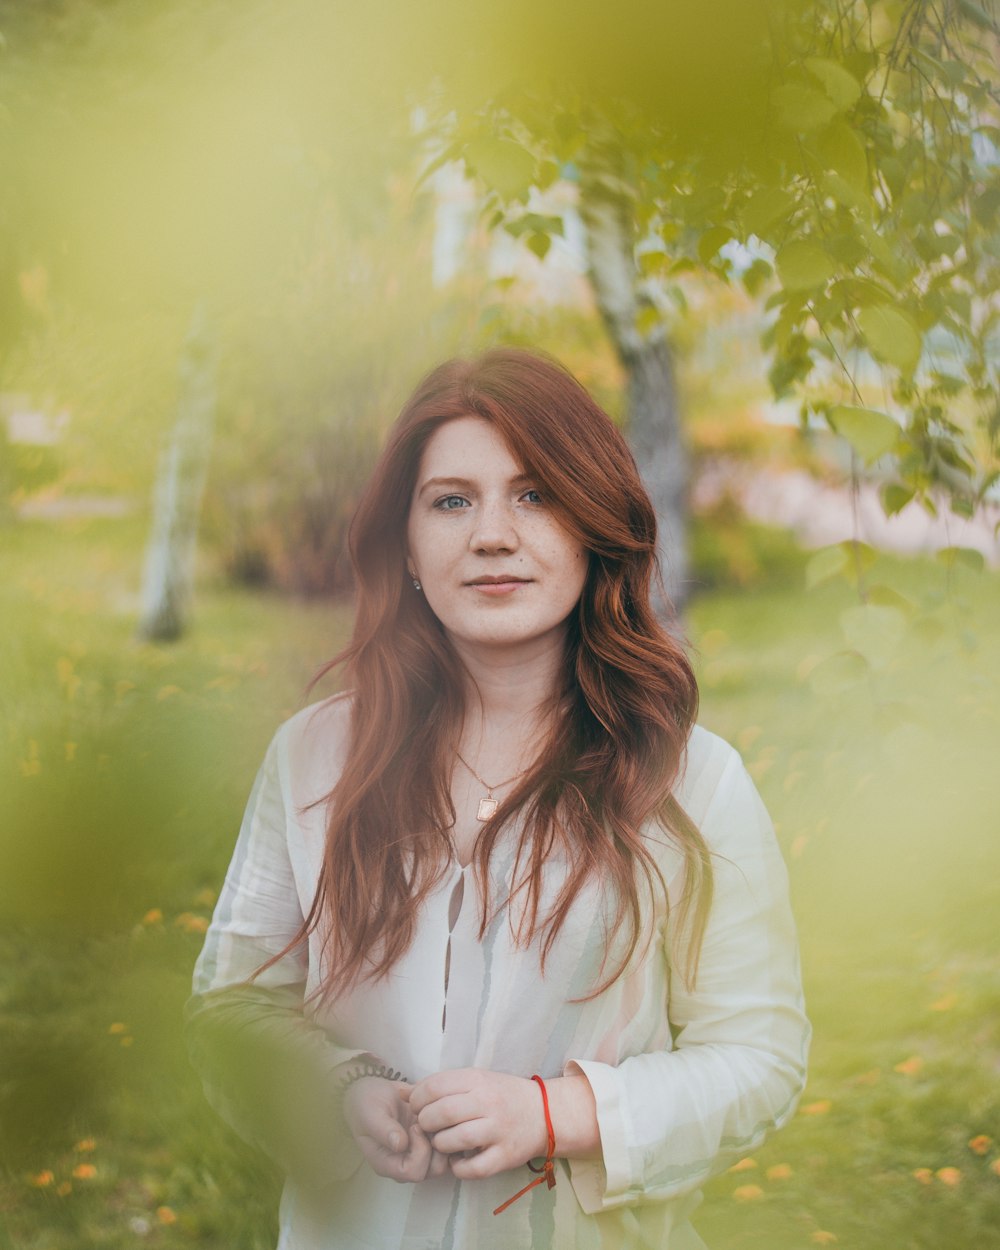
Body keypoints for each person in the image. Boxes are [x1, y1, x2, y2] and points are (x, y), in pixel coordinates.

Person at [186, 348, 810, 1250]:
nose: (491, 535)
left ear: (595, 524)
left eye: (535, 495)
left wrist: (557, 1115)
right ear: (405, 542)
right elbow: (233, 1005)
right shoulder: (315, 756)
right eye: (451, 500)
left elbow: (760, 1060)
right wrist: (340, 1088)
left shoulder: (691, 783)